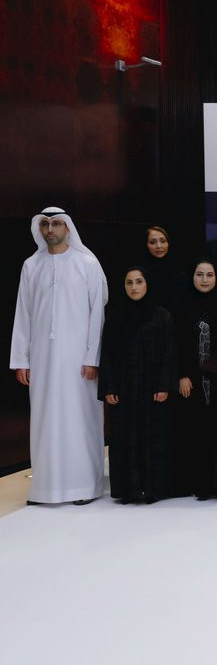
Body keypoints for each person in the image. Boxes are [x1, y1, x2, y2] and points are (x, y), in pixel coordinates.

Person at [11, 208, 107, 506]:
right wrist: (21, 360)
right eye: (45, 224)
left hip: (80, 361)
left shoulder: (87, 263)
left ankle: (84, 487)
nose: (50, 229)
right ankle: (45, 489)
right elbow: (23, 314)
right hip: (42, 359)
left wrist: (92, 357)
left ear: (67, 227)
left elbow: (97, 314)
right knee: (45, 420)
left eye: (56, 224)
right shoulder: (31, 265)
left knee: (80, 420)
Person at [99, 266, 177, 504]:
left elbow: (169, 353)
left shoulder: (161, 315)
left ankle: (153, 489)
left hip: (152, 390)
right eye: (129, 282)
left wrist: (164, 385)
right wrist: (109, 387)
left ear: (147, 284)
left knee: (153, 438)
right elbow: (107, 355)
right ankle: (128, 490)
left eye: (139, 282)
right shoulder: (115, 317)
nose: (134, 287)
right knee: (124, 438)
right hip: (124, 390)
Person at [172, 258, 217, 499]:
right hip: (191, 380)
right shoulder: (182, 305)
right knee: (192, 431)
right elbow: (176, 344)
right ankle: (194, 484)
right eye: (199, 275)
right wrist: (182, 374)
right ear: (192, 277)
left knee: (216, 431)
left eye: (209, 275)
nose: (204, 280)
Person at [141, 225, 185, 313]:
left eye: (163, 241)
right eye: (153, 242)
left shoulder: (179, 274)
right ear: (146, 245)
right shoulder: (140, 274)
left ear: (168, 243)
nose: (159, 246)